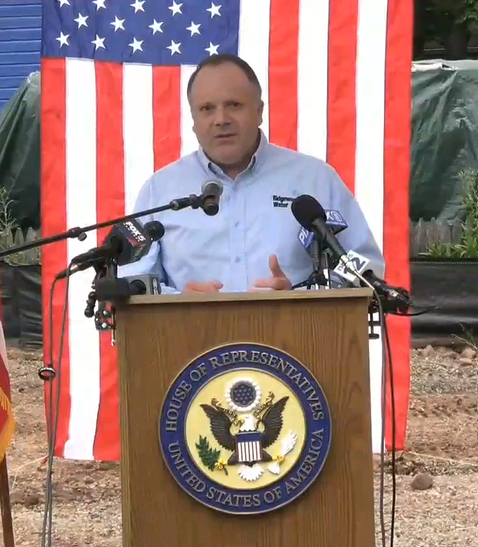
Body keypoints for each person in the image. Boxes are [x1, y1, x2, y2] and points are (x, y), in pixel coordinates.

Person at [118, 54, 384, 294]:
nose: (221, 119)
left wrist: (302, 298)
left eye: (234, 105)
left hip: (296, 342)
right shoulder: (159, 190)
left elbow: (366, 270)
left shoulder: (316, 180)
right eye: (207, 109)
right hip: (190, 342)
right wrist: (179, 303)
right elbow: (130, 280)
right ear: (193, 120)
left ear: (259, 111)